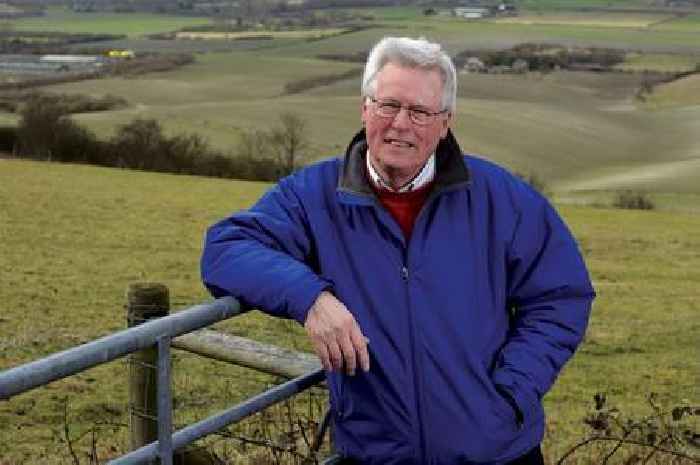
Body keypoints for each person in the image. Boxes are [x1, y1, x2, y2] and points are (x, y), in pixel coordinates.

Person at [201, 36, 595, 465]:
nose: (401, 124)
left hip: (498, 453)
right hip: (374, 453)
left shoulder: (503, 198)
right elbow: (227, 248)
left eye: (420, 112)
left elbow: (560, 297)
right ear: (365, 108)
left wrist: (511, 391)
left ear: (445, 122)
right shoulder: (315, 195)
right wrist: (311, 299)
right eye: (388, 105)